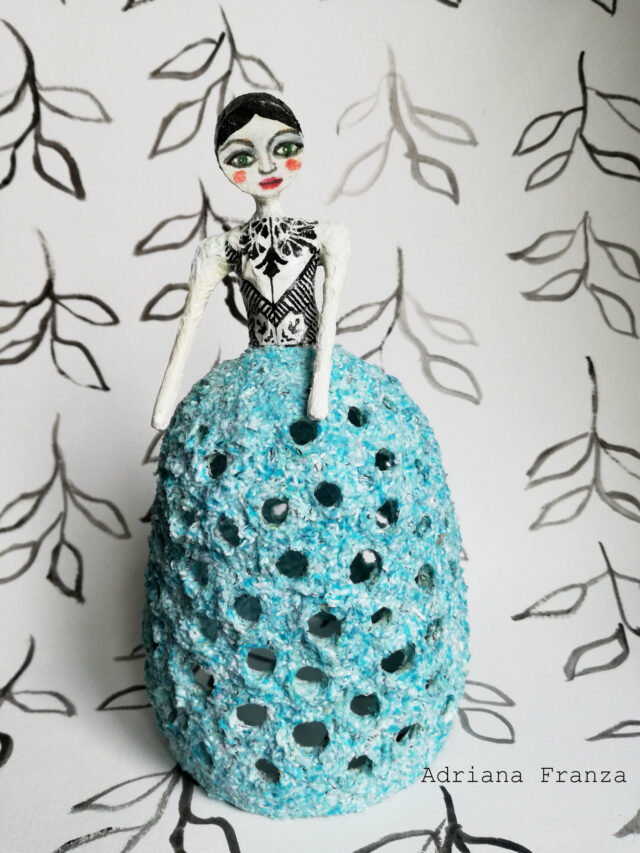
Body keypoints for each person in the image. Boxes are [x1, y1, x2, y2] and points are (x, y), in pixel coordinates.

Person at [151, 91, 349, 430]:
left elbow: (330, 313)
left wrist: (319, 390)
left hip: (313, 375)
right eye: (242, 158)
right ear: (223, 165)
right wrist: (164, 407)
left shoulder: (325, 235)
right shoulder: (222, 247)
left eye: (283, 149)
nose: (267, 166)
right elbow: (188, 327)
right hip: (255, 377)